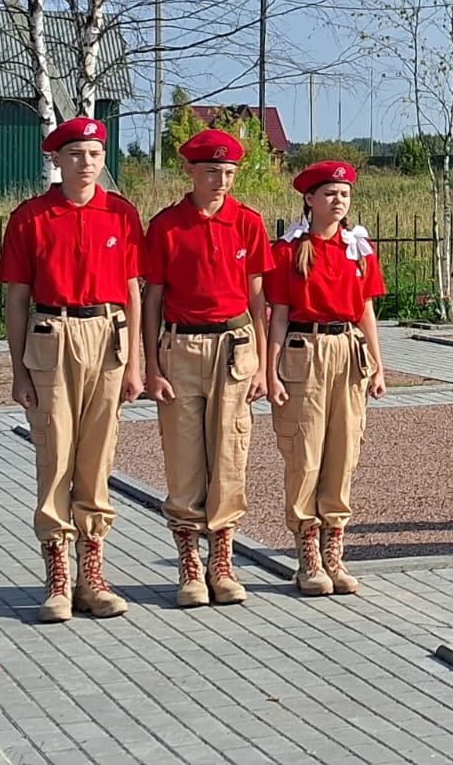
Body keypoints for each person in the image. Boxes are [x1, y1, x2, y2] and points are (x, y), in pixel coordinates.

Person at [0, 118, 145, 623]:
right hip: (52, 338)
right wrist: (18, 370)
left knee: (97, 459)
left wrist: (136, 364)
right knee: (56, 454)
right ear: (57, 161)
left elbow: (132, 292)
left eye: (95, 154)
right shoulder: (31, 217)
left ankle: (93, 575)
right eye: (76, 154)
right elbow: (17, 299)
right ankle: (58, 574)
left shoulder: (121, 215)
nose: (87, 163)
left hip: (107, 338)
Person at [143, 129, 272, 607]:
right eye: (212, 172)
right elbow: (152, 296)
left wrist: (262, 363)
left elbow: (258, 295)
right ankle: (189, 563)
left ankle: (222, 559)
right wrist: (151, 363)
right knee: (184, 457)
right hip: (181, 347)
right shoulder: (167, 226)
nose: (221, 181)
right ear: (191, 172)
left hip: (235, 347)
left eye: (230, 173)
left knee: (231, 453)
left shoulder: (247, 223)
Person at [265, 160, 387, 595]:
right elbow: (277, 316)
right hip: (305, 352)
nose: (339, 201)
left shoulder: (359, 250)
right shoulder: (289, 251)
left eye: (345, 194)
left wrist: (377, 364)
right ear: (309, 200)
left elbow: (366, 311)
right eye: (330, 194)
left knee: (343, 453)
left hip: (347, 352)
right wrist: (271, 370)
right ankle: (308, 557)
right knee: (305, 454)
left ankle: (335, 552)